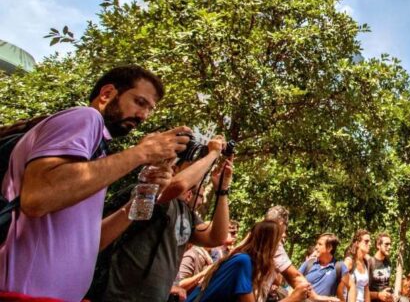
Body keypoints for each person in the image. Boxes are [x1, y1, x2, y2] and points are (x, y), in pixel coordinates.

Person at [0, 65, 192, 300]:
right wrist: (142, 153)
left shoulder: (96, 156)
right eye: (140, 102)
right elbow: (38, 198)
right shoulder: (85, 117)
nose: (144, 116)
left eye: (150, 109)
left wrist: (145, 194)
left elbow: (91, 243)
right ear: (107, 93)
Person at [92, 141, 234, 301]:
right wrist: (213, 154)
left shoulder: (185, 211)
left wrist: (222, 190)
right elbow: (178, 185)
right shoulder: (150, 192)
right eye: (194, 165)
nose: (200, 172)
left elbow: (216, 237)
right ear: (174, 169)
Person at [186, 220, 284, 301]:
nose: (280, 248)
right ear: (269, 244)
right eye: (279, 242)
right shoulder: (243, 261)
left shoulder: (244, 260)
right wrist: (295, 296)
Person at [298, 233, 348, 301]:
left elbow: (351, 286)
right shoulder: (308, 264)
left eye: (320, 244)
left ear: (329, 248)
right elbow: (294, 284)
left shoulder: (339, 266)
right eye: (317, 244)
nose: (316, 247)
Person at [343, 229, 372, 302]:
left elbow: (366, 290)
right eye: (366, 241)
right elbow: (339, 288)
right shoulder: (349, 262)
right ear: (357, 243)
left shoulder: (366, 263)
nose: (370, 244)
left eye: (370, 241)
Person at [367, 232, 393, 302]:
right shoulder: (370, 263)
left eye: (390, 244)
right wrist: (378, 295)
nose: (389, 247)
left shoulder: (388, 262)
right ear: (378, 245)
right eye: (386, 244)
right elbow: (363, 292)